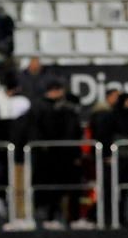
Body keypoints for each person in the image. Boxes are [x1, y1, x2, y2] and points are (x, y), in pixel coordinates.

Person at [25, 80, 84, 228]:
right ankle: (49, 217)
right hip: (49, 157)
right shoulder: (41, 108)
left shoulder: (66, 111)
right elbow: (38, 131)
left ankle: (66, 218)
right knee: (50, 189)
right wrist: (45, 148)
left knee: (68, 189)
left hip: (64, 155)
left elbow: (74, 134)